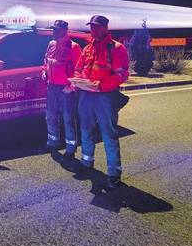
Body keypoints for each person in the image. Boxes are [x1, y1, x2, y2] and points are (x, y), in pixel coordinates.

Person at [69, 14, 130, 190]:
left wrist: (101, 84)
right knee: (85, 129)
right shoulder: (88, 48)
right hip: (86, 95)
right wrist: (79, 81)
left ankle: (114, 173)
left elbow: (122, 74)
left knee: (108, 133)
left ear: (105, 28)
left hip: (105, 96)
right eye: (91, 26)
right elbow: (79, 69)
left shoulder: (117, 49)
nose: (93, 30)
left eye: (96, 27)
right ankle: (86, 162)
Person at [41, 20, 82, 159]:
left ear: (65, 30)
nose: (54, 32)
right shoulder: (51, 44)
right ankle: (53, 143)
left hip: (66, 89)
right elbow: (46, 61)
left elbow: (79, 69)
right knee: (50, 116)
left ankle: (70, 149)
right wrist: (44, 71)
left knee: (68, 119)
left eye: (57, 30)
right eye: (53, 29)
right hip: (51, 87)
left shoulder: (74, 47)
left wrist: (71, 86)